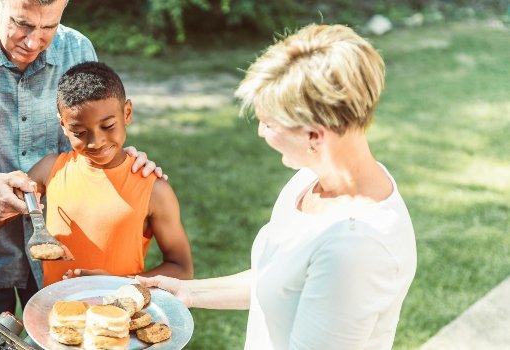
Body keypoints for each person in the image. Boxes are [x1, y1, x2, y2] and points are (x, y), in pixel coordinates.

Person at [137, 24, 417, 349]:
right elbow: (278, 281)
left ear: (315, 135)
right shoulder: (310, 181)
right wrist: (188, 291)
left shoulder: (355, 249)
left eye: (268, 123)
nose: (260, 133)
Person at [0, 0, 163, 318]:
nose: (33, 42)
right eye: (22, 24)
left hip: (61, 258)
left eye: (49, 27)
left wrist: (120, 161)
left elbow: (90, 137)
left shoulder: (77, 49)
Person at [0, 61, 194, 286]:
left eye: (108, 126)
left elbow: (181, 267)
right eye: (79, 132)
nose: (96, 142)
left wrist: (120, 283)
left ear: (127, 113)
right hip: (57, 313)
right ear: (63, 125)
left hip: (118, 316)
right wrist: (6, 194)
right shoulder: (50, 170)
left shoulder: (154, 190)